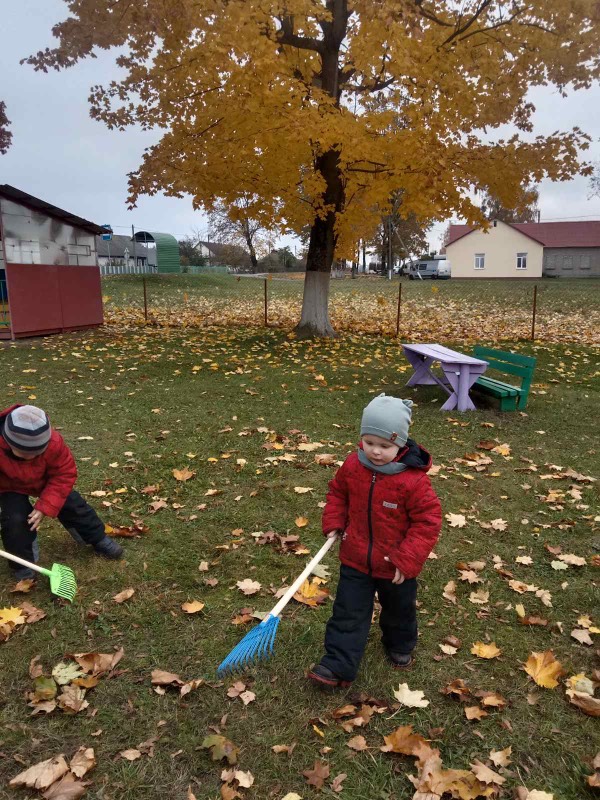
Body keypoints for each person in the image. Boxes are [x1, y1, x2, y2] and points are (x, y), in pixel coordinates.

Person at [308, 394, 442, 688]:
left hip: (395, 566)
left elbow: (427, 522)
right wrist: (334, 521)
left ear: (401, 445)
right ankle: (337, 665)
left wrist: (407, 559)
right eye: (369, 443)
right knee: (348, 612)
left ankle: (400, 644)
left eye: (384, 446)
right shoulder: (354, 465)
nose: (376, 452)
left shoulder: (413, 481)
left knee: (398, 610)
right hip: (355, 557)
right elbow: (338, 493)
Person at [0, 405, 123, 582]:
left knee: (74, 505)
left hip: (45, 481)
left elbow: (64, 474)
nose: (32, 457)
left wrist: (45, 506)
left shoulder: (54, 443)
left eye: (37, 453)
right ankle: (23, 564)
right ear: (8, 441)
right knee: (15, 520)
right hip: (9, 486)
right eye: (25, 453)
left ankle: (97, 538)